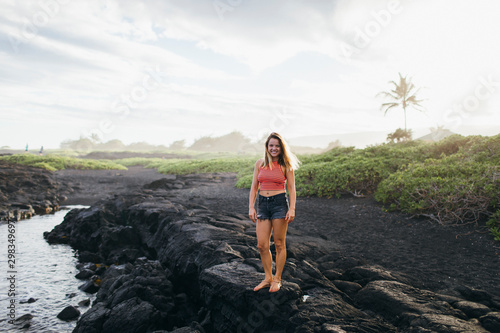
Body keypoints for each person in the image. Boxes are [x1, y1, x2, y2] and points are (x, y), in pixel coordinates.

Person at [248, 132, 300, 292]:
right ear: (267, 147)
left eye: (277, 146)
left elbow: (291, 188)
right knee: (262, 245)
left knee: (279, 243)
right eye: (271, 145)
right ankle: (267, 278)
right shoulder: (260, 163)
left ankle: (277, 279)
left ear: (281, 147)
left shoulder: (286, 165)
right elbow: (254, 187)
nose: (274, 148)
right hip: (262, 204)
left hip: (279, 204)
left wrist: (292, 208)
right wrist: (251, 206)